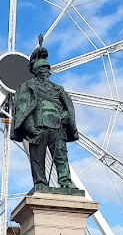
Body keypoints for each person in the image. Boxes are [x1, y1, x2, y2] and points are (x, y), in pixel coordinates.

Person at [11, 36, 80, 194]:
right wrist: (29, 126)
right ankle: (40, 181)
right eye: (42, 69)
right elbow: (23, 106)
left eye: (47, 68)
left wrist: (65, 115)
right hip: (38, 126)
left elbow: (66, 107)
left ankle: (65, 182)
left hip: (57, 127)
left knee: (61, 157)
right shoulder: (27, 86)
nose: (46, 71)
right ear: (35, 71)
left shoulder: (58, 89)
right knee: (37, 158)